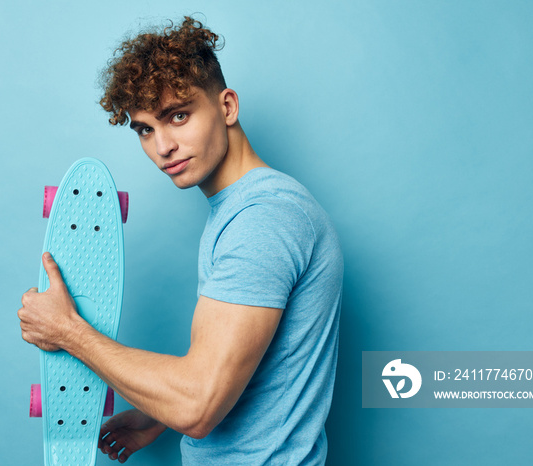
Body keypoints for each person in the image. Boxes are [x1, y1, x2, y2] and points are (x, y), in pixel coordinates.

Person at [18, 16, 343, 465]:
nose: (163, 146)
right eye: (146, 129)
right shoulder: (245, 209)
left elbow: (197, 406)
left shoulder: (263, 220)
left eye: (178, 116)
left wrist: (68, 331)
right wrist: (158, 416)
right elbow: (252, 362)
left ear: (227, 107)